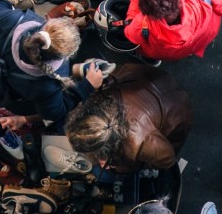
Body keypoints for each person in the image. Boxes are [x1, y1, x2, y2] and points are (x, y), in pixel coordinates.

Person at [0, 0, 102, 132]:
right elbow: (54, 113)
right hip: (13, 94)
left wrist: (5, 1)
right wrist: (87, 86)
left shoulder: (14, 20)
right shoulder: (48, 84)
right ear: (65, 56)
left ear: (46, 24)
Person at [64, 64, 193, 172]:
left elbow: (168, 159)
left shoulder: (141, 144)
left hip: (178, 112)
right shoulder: (101, 100)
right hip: (154, 78)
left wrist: (121, 165)